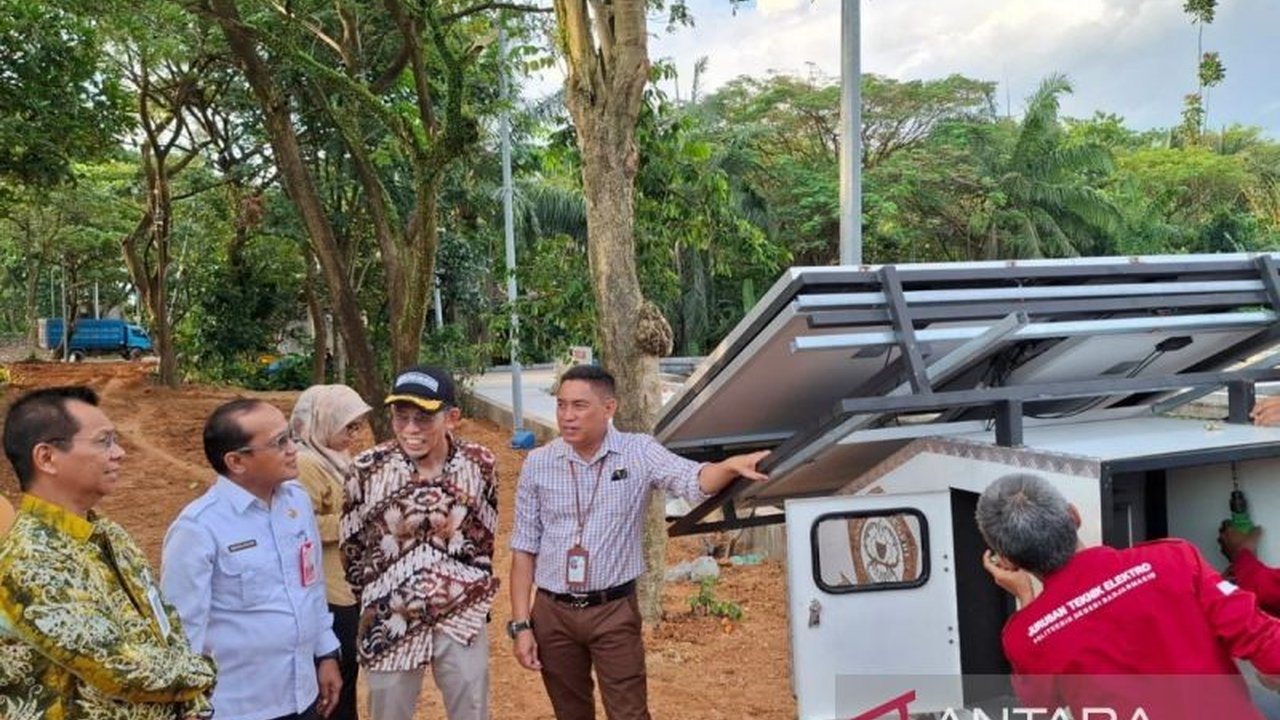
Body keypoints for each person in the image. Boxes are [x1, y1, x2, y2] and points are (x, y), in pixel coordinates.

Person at [508, 364, 770, 720]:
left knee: (630, 713)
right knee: (569, 713)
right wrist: (522, 625)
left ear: (609, 408)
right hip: (552, 613)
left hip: (613, 612)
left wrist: (729, 466)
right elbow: (524, 549)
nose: (567, 416)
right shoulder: (539, 463)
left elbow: (692, 479)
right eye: (561, 405)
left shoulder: (638, 453)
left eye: (579, 406)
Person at [977, 472, 1280, 718]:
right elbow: (1266, 643)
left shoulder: (1026, 635)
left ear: (1007, 561)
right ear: (1074, 516)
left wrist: (1027, 602)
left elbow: (1042, 708)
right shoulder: (1174, 559)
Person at [0, 386, 217, 720]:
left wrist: (189, 702)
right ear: (46, 458)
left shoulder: (107, 533)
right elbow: (117, 666)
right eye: (104, 441)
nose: (120, 453)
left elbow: (162, 620)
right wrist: (202, 673)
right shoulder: (30, 558)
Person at [162, 398, 342, 720]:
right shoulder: (199, 529)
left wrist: (326, 652)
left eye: (290, 436)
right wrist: (187, 706)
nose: (292, 449)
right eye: (279, 442)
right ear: (236, 462)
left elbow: (311, 585)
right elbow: (182, 629)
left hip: (302, 695)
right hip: (239, 706)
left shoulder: (296, 502)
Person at [340, 366, 499, 720]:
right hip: (388, 617)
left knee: (471, 710)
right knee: (388, 713)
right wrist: (376, 596)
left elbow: (484, 537)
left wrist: (468, 592)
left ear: (452, 417)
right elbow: (351, 547)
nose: (410, 429)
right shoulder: (366, 469)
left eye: (423, 418)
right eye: (401, 417)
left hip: (461, 614)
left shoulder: (480, 464)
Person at [292, 384, 373, 720]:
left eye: (357, 426)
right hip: (330, 589)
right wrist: (356, 522)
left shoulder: (336, 458)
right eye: (348, 426)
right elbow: (300, 526)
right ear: (324, 423)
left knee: (349, 675)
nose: (354, 435)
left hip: (351, 583)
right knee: (336, 678)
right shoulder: (306, 463)